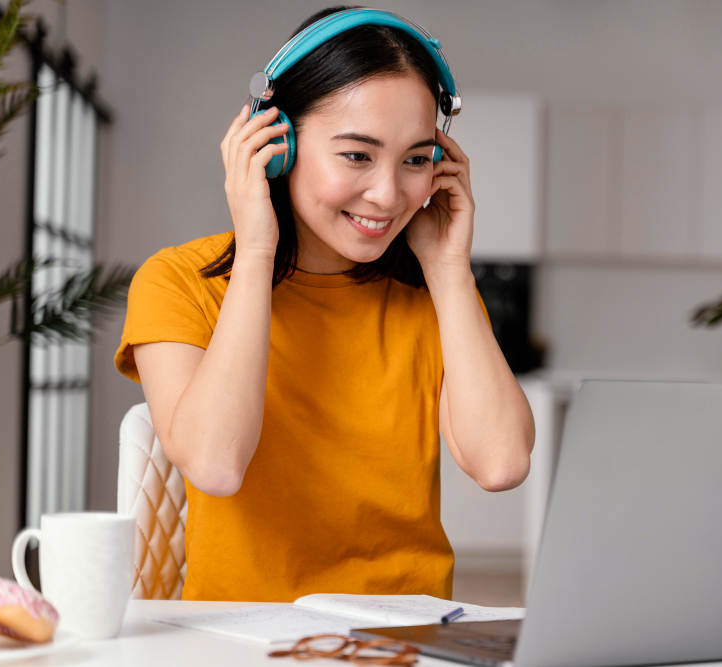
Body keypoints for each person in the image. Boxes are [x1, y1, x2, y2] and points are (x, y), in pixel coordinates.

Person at [113, 5, 535, 602]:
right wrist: (256, 251)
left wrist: (448, 270)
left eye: (416, 159)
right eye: (357, 155)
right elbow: (215, 464)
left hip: (404, 639)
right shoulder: (180, 281)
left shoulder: (435, 296)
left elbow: (502, 464)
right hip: (247, 645)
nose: (389, 195)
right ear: (276, 146)